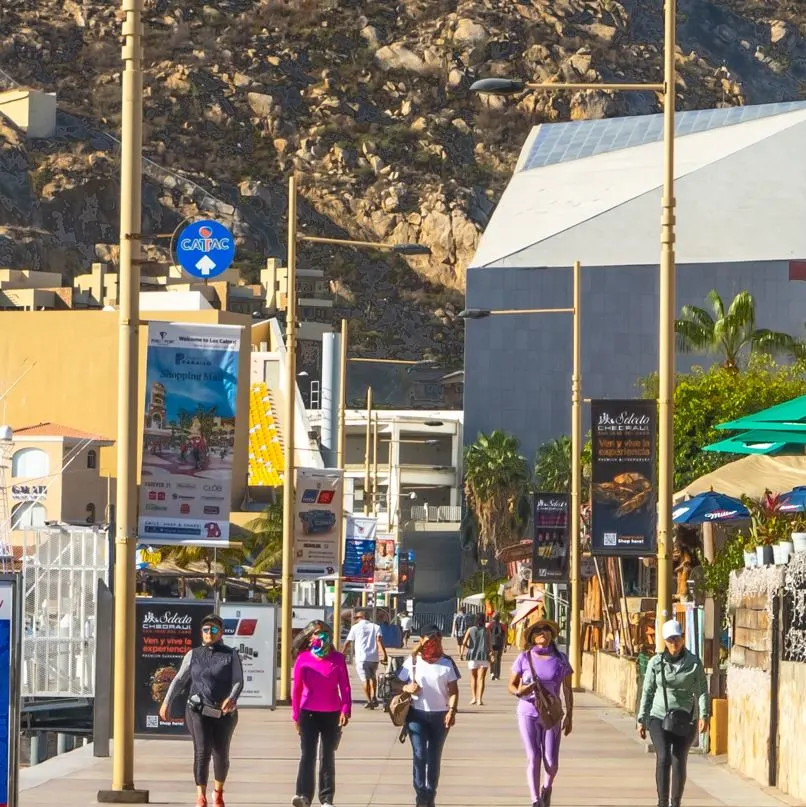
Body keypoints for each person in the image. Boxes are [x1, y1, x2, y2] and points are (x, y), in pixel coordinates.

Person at [159, 613, 243, 807]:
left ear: (221, 632)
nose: (209, 633)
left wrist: (231, 698)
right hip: (197, 709)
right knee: (202, 751)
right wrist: (167, 702)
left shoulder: (230, 654)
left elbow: (238, 681)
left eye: (213, 630)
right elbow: (179, 679)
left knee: (221, 754)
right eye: (205, 630)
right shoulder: (193, 654)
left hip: (223, 713)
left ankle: (218, 792)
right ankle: (201, 796)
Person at [638, 619, 709, 807]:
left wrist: (704, 715)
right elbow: (647, 691)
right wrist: (641, 718)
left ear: (682, 639)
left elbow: (701, 690)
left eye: (677, 639)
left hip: (685, 718)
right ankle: (662, 802)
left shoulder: (693, 663)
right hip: (659, 716)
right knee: (664, 756)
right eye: (670, 640)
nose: (674, 643)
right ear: (664, 641)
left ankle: (675, 802)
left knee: (679, 758)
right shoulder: (656, 662)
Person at [509, 620, 573, 807]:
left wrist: (570, 714)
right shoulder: (524, 658)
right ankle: (535, 800)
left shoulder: (561, 659)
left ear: (551, 634)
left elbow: (568, 689)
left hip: (552, 714)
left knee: (551, 762)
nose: (542, 632)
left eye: (545, 629)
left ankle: (547, 788)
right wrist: (519, 692)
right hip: (527, 712)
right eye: (537, 630)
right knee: (533, 755)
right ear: (531, 636)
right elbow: (511, 686)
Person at [397, 625, 459, 807]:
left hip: (441, 717)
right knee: (419, 755)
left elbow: (454, 690)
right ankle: (420, 795)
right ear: (422, 640)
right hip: (416, 715)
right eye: (428, 638)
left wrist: (451, 711)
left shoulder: (447, 662)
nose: (432, 642)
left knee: (433, 757)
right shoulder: (413, 661)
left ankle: (430, 795)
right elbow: (397, 682)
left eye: (436, 638)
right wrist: (407, 688)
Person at [291, 621, 351, 807]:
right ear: (310, 637)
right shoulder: (303, 659)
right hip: (308, 713)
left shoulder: (338, 659)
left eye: (324, 633)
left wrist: (345, 709)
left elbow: (345, 686)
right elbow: (297, 689)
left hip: (331, 713)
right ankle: (303, 796)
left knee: (327, 756)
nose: (320, 636)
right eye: (317, 633)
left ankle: (326, 799)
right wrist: (295, 715)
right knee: (307, 755)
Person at [342, 609, 388, 708]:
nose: (355, 620)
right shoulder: (376, 627)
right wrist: (384, 654)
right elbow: (379, 642)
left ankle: (369, 700)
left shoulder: (355, 627)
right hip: (373, 658)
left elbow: (347, 642)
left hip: (361, 658)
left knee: (365, 680)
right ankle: (374, 696)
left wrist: (342, 654)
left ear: (361, 617)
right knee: (372, 677)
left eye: (357, 618)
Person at [461, 613, 490, 706]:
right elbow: (489, 644)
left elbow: (464, 642)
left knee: (473, 677)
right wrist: (492, 653)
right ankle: (479, 699)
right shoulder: (486, 630)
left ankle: (473, 697)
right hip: (484, 656)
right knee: (481, 679)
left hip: (472, 656)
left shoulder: (470, 629)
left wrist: (468, 648)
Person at [488, 612, 507, 680]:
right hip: (500, 644)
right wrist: (505, 646)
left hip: (491, 644)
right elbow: (505, 636)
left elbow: (487, 635)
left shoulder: (490, 625)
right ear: (499, 618)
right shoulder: (503, 626)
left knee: (492, 658)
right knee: (498, 659)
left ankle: (492, 673)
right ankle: (497, 675)